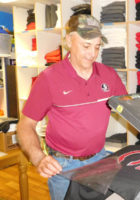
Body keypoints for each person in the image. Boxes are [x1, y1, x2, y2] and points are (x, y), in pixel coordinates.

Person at [17, 14, 127, 200]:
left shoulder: (109, 75)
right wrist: (38, 158)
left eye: (97, 46)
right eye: (86, 46)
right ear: (69, 40)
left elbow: (131, 109)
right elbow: (25, 125)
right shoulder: (49, 79)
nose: (92, 53)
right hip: (63, 166)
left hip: (99, 160)